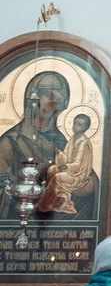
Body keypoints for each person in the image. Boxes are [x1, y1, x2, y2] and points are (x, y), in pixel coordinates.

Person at [0, 71, 71, 219]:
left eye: (55, 102)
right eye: (46, 98)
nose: (49, 106)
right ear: (31, 102)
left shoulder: (61, 142)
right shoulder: (10, 141)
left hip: (50, 221)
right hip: (16, 218)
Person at [38, 114, 98, 217]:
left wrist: (66, 167)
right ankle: (55, 200)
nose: (75, 126)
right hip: (70, 170)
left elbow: (78, 164)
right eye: (75, 123)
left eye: (79, 125)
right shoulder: (73, 139)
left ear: (85, 128)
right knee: (52, 170)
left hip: (79, 175)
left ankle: (45, 204)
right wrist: (58, 152)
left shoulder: (83, 142)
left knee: (57, 177)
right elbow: (66, 158)